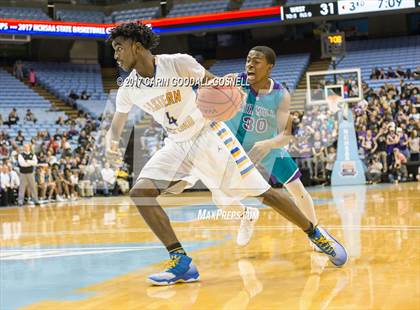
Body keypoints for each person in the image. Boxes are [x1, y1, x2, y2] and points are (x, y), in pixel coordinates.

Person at [106, 23, 347, 286]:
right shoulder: (128, 88)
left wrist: (232, 93)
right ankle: (181, 261)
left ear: (137, 46)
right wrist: (111, 142)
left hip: (209, 134)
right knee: (141, 193)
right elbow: (117, 124)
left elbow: (213, 83)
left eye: (119, 47)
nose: (115, 54)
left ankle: (315, 233)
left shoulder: (178, 64)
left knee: (263, 192)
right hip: (176, 143)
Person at [225, 46, 319, 244]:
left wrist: (268, 144)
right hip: (233, 146)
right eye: (248, 60)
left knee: (298, 190)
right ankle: (246, 215)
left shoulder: (281, 94)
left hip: (268, 147)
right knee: (222, 194)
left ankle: (315, 234)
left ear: (269, 68)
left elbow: (286, 135)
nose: (250, 64)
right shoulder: (234, 81)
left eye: (256, 61)